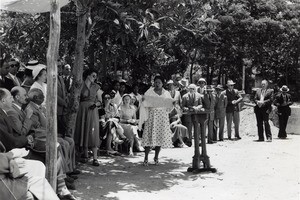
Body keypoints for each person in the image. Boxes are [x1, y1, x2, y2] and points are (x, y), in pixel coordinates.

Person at [139, 75, 173, 166]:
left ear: (162, 84)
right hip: (152, 116)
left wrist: (172, 103)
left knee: (159, 137)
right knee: (149, 136)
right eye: (156, 82)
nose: (157, 84)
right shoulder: (149, 92)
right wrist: (142, 100)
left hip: (162, 117)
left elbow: (169, 106)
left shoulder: (166, 93)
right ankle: (146, 157)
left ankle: (156, 157)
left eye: (159, 82)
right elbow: (144, 102)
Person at [74, 68, 102, 166]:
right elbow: (76, 98)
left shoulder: (97, 87)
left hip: (92, 110)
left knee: (93, 132)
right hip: (82, 110)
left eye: (96, 76)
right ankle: (85, 155)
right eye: (93, 76)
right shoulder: (81, 85)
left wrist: (95, 105)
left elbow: (100, 101)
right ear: (88, 75)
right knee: (84, 130)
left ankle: (95, 158)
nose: (95, 78)